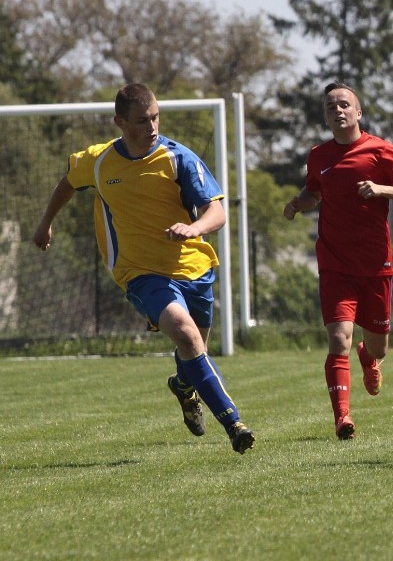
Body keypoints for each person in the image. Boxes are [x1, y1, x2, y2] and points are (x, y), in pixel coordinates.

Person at [32, 83, 255, 454]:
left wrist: (194, 228)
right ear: (120, 122)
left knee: (193, 347)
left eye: (155, 117)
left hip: (194, 269)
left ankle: (183, 388)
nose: (152, 126)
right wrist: (45, 222)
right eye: (141, 120)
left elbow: (216, 211)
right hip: (139, 272)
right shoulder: (100, 161)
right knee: (185, 336)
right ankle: (234, 423)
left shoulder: (177, 157)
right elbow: (68, 182)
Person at [283, 82, 393, 440]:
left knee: (378, 346)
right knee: (338, 339)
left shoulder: (381, 151)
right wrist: (299, 203)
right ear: (326, 116)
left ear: (358, 112)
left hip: (376, 264)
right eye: (331, 107)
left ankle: (369, 356)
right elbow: (315, 190)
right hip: (334, 263)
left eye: (344, 104)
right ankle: (342, 418)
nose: (338, 110)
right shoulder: (319, 155)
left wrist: (382, 189)